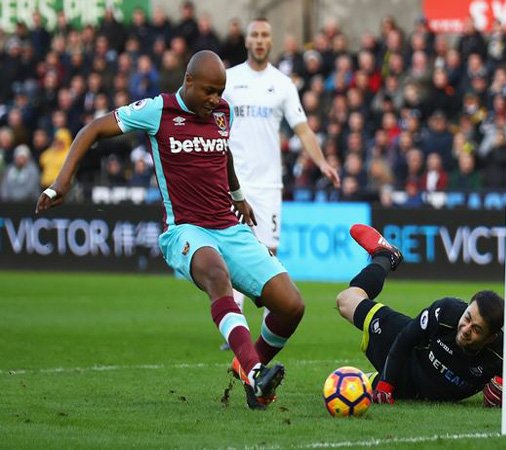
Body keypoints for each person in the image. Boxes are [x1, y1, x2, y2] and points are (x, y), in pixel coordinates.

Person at [35, 50, 305, 410]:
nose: (215, 99)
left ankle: (246, 367)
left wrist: (237, 196)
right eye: (209, 91)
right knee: (215, 272)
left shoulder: (223, 112)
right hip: (185, 230)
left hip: (228, 224)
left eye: (220, 91)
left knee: (291, 305)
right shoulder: (156, 110)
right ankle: (256, 374)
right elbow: (93, 129)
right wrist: (62, 183)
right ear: (188, 81)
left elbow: (223, 154)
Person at [336, 223, 506, 406]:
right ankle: (385, 256)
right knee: (345, 301)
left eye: (476, 329)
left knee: (344, 388)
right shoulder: (447, 312)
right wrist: (386, 383)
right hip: (406, 353)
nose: (466, 329)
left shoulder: (505, 355)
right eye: (468, 318)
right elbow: (405, 340)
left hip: (414, 390)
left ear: (491, 337)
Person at [222, 18, 340, 345]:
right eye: (254, 35)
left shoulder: (283, 84)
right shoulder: (229, 80)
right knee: (232, 254)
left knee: (268, 254)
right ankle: (237, 329)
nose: (259, 40)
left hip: (268, 185)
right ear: (247, 41)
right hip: (233, 181)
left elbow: (302, 129)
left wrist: (322, 162)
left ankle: (266, 330)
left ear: (270, 42)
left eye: (264, 35)